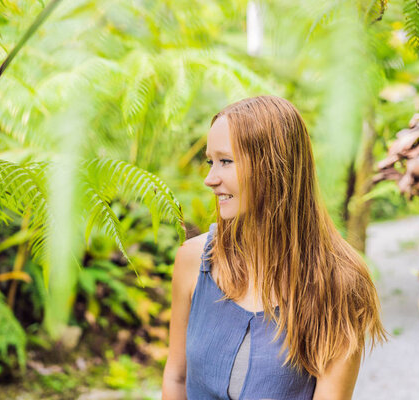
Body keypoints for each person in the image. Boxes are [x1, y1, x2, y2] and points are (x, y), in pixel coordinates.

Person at [162, 96, 386, 400]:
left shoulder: (340, 284)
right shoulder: (194, 259)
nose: (210, 179)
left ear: (273, 167)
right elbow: (176, 378)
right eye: (210, 161)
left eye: (226, 161)